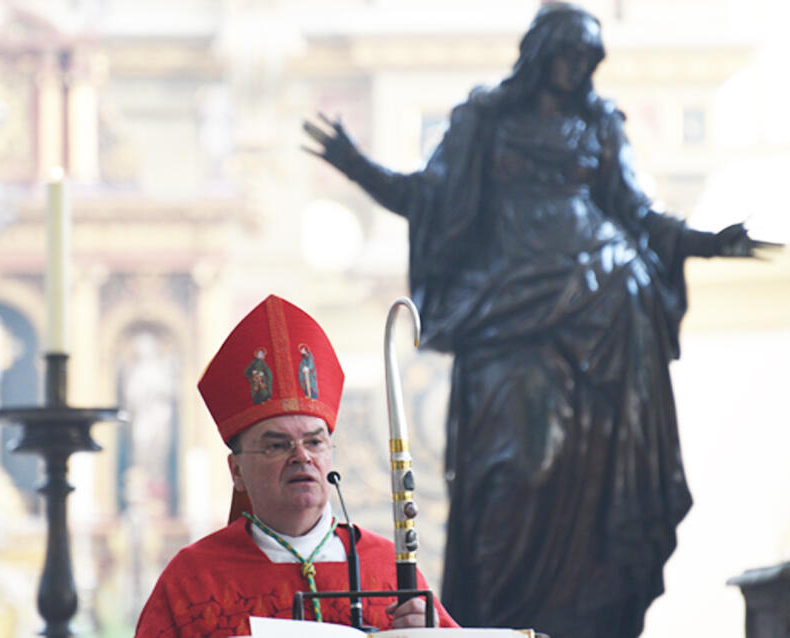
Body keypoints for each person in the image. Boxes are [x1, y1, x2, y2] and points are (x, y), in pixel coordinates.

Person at [303, 4, 778, 637]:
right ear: (541, 52)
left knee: (602, 486)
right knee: (516, 469)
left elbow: (641, 215)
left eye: (589, 58)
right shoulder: (486, 119)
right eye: (568, 54)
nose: (578, 68)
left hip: (609, 316)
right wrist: (358, 167)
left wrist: (708, 242)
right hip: (512, 318)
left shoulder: (600, 125)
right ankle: (502, 623)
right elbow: (429, 197)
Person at [135, 294, 459, 637]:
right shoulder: (193, 580)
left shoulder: (386, 568)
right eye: (277, 445)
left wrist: (430, 635)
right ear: (237, 472)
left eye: (315, 442)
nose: (301, 456)